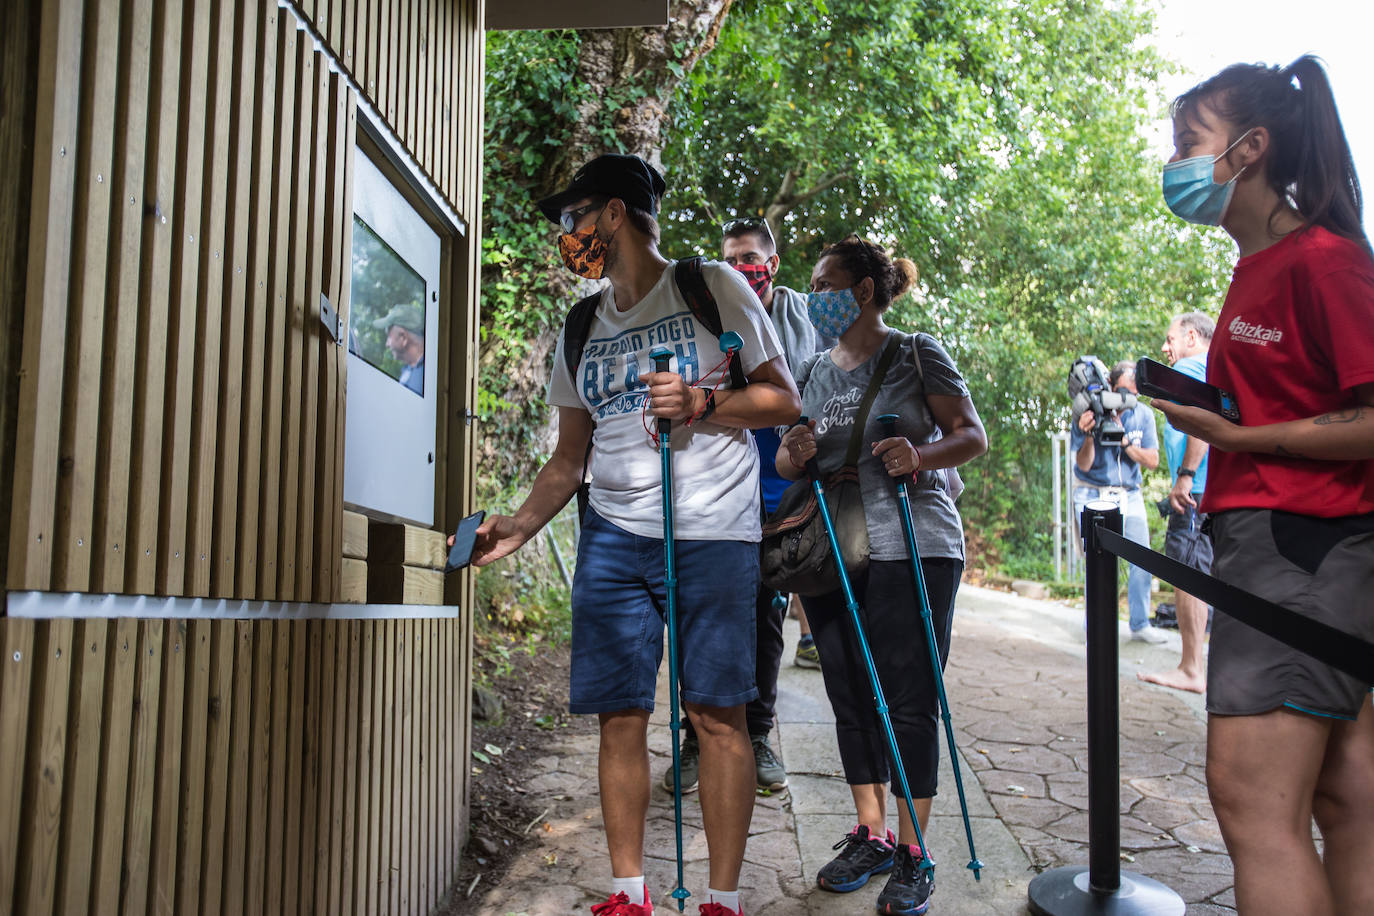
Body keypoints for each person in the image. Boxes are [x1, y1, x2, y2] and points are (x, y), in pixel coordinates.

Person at [467, 154, 801, 916]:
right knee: (620, 714)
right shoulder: (582, 322)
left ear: (614, 214)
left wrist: (700, 403)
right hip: (614, 537)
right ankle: (629, 894)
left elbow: (783, 399)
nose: (567, 234)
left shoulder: (710, 286)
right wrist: (517, 527)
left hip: (713, 532)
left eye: (573, 217)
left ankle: (721, 900)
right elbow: (569, 455)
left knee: (716, 715)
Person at [1152, 57, 1374, 916]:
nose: (1173, 163)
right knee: (1346, 798)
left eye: (1187, 144)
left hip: (1305, 553)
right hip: (1276, 548)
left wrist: (1239, 435)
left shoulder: (1325, 262)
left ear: (1250, 149)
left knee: (1253, 804)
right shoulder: (1258, 265)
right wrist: (1218, 413)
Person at [777, 236, 987, 915]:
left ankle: (914, 848)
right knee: (848, 693)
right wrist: (792, 452)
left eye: (823, 282)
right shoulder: (813, 371)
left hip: (913, 546)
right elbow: (791, 460)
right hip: (832, 552)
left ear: (863, 290)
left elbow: (971, 435)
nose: (814, 296)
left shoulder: (916, 351)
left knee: (908, 697)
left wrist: (920, 454)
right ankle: (869, 832)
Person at [659, 215, 829, 799]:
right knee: (697, 616)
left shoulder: (807, 319)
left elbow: (826, 386)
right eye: (729, 259)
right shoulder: (707, 310)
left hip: (780, 495)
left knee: (763, 620)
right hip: (710, 490)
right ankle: (693, 736)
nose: (739, 270)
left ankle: (756, 735)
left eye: (750, 259)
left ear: (772, 264)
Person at [1139, 312, 1215, 693]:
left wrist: (1185, 476)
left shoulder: (1188, 366)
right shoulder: (1214, 368)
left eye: (1169, 339)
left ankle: (1191, 668)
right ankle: (1197, 666)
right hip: (1210, 490)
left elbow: (1202, 419)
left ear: (1190, 336)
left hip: (1194, 489)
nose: (1165, 349)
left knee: (1187, 577)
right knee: (1200, 575)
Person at [1071, 360, 1164, 643]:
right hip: (1091, 492)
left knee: (1142, 558)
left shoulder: (1143, 415)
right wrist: (1088, 435)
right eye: (1123, 391)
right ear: (1111, 387)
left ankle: (1139, 623)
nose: (1127, 399)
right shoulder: (1088, 410)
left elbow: (1152, 461)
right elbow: (1083, 465)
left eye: (1133, 393)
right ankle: (1097, 626)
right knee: (1096, 561)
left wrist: (1126, 443)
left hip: (1129, 494)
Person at [374, 303, 426, 394]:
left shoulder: (428, 374)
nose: (387, 344)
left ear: (403, 337)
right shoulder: (409, 369)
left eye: (389, 337)